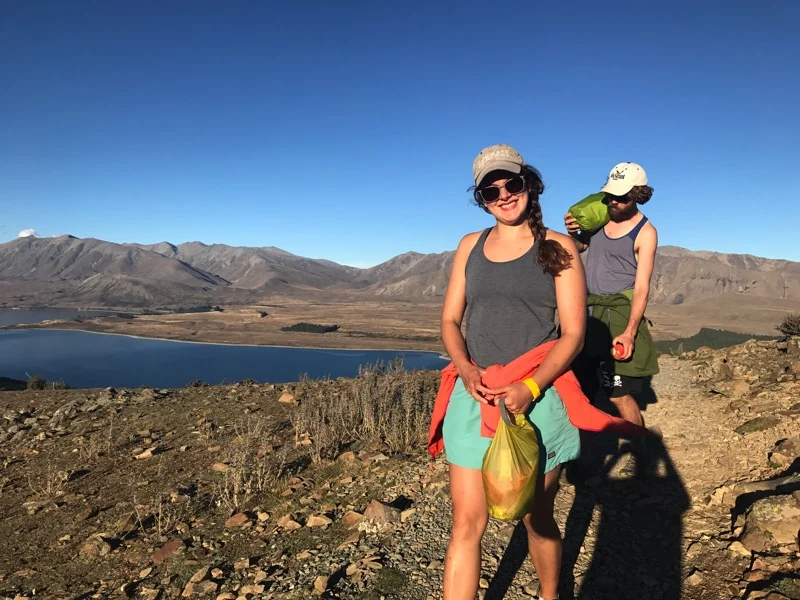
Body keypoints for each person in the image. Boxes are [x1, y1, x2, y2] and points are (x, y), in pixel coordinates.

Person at [431, 144, 586, 600]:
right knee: (466, 523)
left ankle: (549, 594)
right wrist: (463, 368)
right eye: (489, 190)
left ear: (529, 184)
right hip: (474, 394)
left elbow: (573, 334)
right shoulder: (469, 246)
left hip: (537, 395)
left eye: (511, 183)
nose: (503, 195)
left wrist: (532, 385)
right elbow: (448, 320)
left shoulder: (558, 246)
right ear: (480, 198)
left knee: (536, 518)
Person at [564, 162, 660, 474]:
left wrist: (631, 331)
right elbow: (580, 247)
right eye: (610, 195)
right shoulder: (602, 216)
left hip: (619, 315)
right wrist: (574, 233)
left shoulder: (645, 232)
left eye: (620, 197)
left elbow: (642, 287)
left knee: (619, 394)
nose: (612, 202)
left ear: (638, 195)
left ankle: (642, 455)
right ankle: (579, 458)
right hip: (588, 312)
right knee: (577, 388)